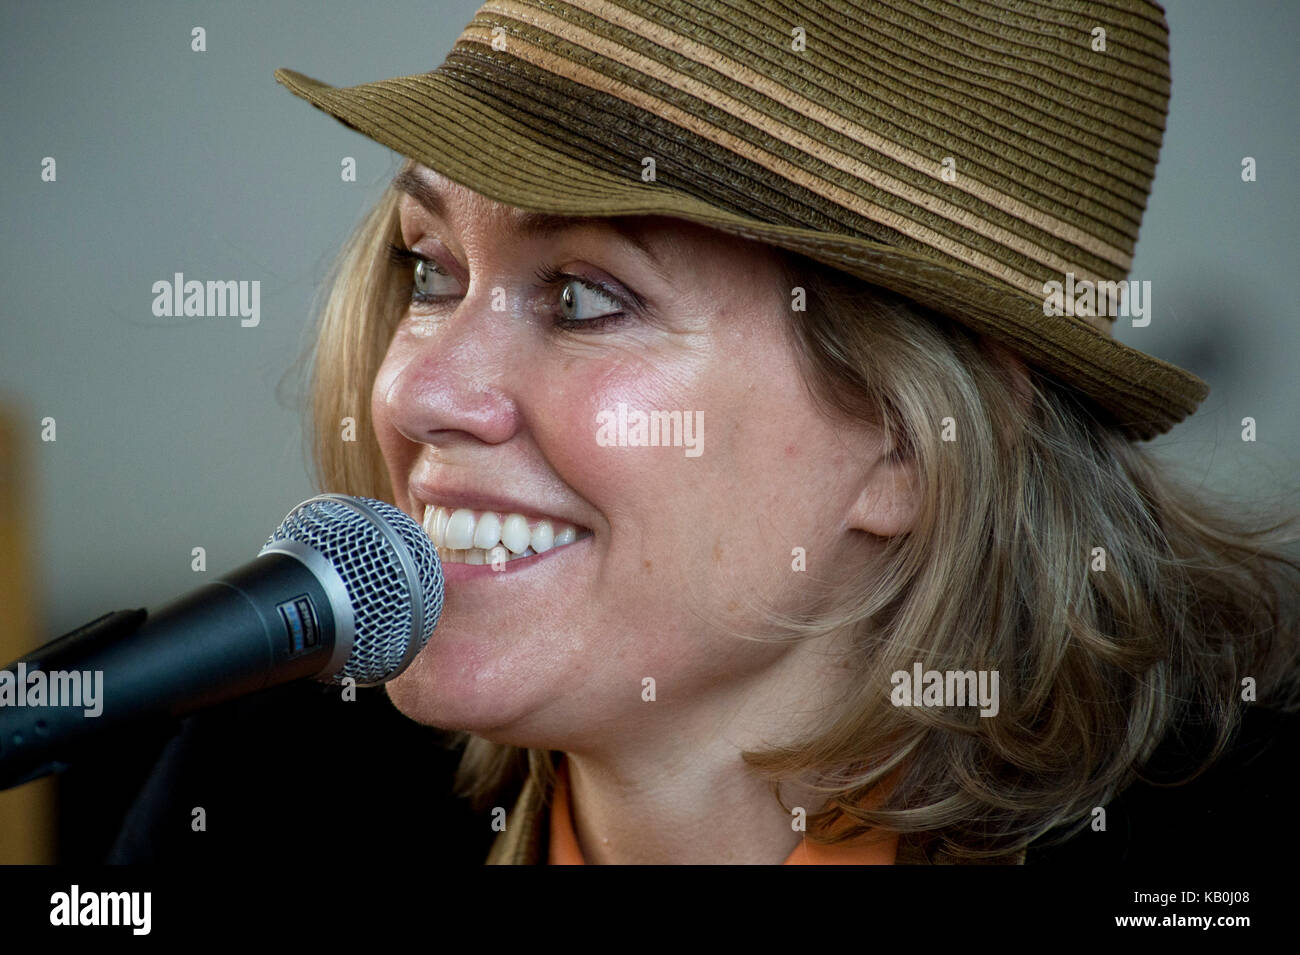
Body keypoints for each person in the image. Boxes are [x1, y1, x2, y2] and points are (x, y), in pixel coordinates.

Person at [116, 0, 1299, 866]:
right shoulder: (261, 790)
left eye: (585, 295)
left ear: (910, 439)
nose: (420, 394)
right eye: (430, 272)